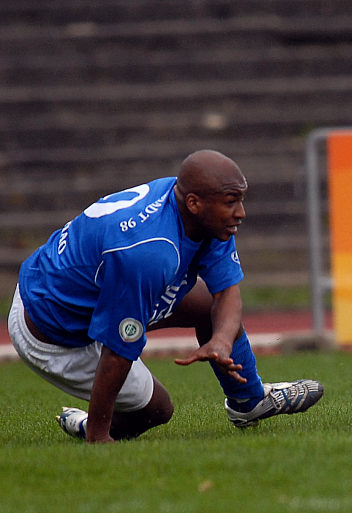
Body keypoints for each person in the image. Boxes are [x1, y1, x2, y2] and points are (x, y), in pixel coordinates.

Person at [7, 149, 323, 443]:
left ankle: (249, 402)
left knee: (209, 306)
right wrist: (99, 439)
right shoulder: (149, 253)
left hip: (73, 284)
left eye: (240, 199)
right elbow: (117, 351)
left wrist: (222, 341)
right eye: (231, 201)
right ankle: (90, 426)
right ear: (195, 203)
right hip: (53, 331)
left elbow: (226, 292)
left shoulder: (198, 207)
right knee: (158, 409)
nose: (240, 212)